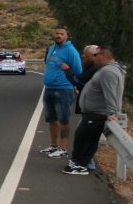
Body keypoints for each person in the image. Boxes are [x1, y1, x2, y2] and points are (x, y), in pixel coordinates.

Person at [63, 46, 126, 175]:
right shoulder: (105, 70)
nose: (94, 58)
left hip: (97, 114)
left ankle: (79, 164)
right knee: (87, 139)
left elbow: (110, 94)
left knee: (83, 139)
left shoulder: (108, 72)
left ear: (105, 56)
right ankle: (80, 163)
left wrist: (111, 113)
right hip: (93, 113)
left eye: (96, 55)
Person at [40, 26, 83, 159]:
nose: (59, 35)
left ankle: (63, 148)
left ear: (67, 36)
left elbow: (78, 70)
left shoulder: (71, 51)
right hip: (49, 88)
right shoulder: (52, 48)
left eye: (62, 34)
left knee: (63, 119)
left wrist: (74, 84)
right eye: (57, 33)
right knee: (51, 119)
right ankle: (54, 145)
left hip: (64, 89)